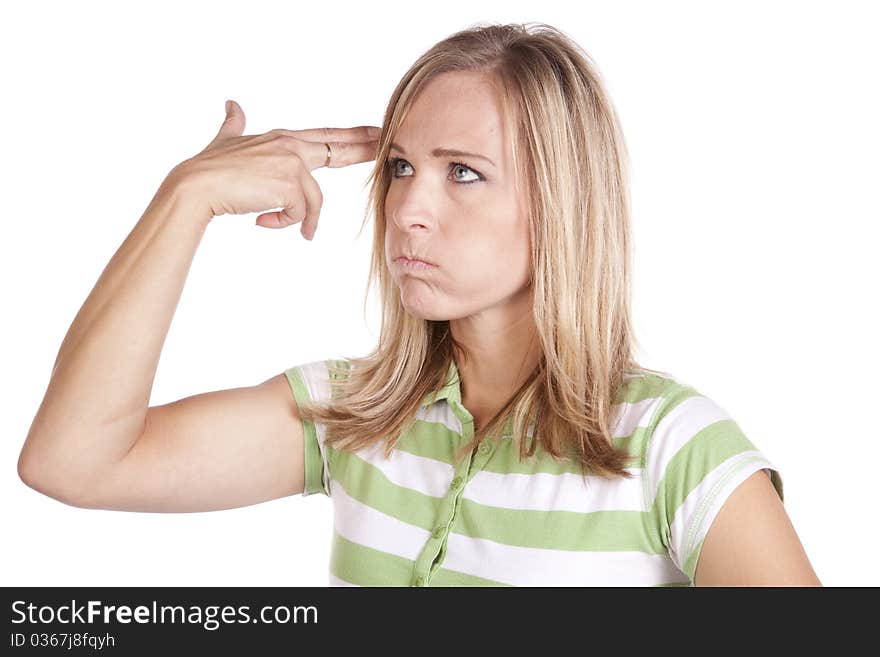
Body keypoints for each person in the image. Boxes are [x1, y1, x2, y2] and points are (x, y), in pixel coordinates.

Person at [18, 22, 821, 587]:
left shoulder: (671, 448)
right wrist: (184, 198)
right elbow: (72, 462)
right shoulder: (357, 413)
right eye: (399, 167)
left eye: (462, 171)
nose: (408, 210)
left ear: (564, 203)